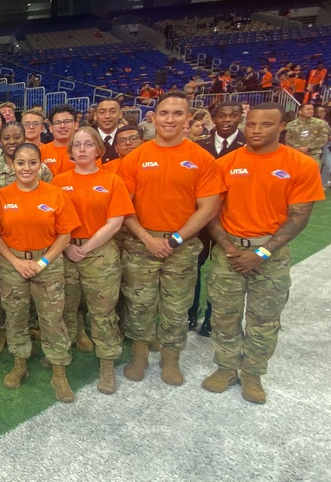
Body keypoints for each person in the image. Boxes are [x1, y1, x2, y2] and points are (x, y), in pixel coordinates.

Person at [203, 103, 325, 404]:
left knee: (264, 319)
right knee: (224, 315)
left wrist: (263, 253)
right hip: (229, 252)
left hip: (272, 253)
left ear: (282, 126)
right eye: (252, 124)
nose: (256, 130)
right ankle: (226, 367)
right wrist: (230, 249)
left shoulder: (301, 164)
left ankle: (253, 373)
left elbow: (299, 216)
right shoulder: (226, 164)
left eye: (266, 125)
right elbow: (211, 212)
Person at [118, 92, 224, 386]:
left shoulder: (201, 159)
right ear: (153, 117)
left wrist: (175, 239)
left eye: (178, 113)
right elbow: (124, 207)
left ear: (188, 119)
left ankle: (170, 357)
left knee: (176, 306)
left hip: (182, 246)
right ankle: (139, 354)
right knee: (138, 304)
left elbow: (208, 207)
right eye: (164, 113)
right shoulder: (136, 158)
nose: (170, 119)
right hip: (141, 244)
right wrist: (147, 239)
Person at [0, 143, 81, 402]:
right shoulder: (2, 195)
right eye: (20, 162)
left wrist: (43, 262)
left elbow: (65, 234)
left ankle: (59, 370)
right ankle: (20, 362)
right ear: (13, 165)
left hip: (48, 264)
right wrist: (16, 262)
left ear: (41, 165)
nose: (26, 168)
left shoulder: (55, 194)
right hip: (12, 264)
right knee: (16, 316)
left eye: (32, 162)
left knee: (53, 318)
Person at [52, 127, 134, 394]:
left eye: (88, 144)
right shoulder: (59, 181)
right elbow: (53, 221)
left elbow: (115, 223)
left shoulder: (112, 180)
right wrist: (66, 249)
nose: (83, 149)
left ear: (98, 148)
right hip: (65, 253)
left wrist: (84, 248)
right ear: (71, 150)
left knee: (103, 312)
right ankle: (61, 360)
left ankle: (107, 364)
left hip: (98, 255)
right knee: (65, 309)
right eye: (77, 145)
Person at [189, 101, 246, 336]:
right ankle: (191, 313)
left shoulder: (249, 145)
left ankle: (214, 318)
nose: (227, 120)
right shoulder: (199, 146)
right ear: (213, 118)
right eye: (222, 115)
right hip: (202, 219)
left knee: (226, 272)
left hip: (233, 218)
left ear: (240, 118)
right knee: (195, 266)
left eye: (233, 116)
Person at [40, 105, 80, 177]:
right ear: (50, 128)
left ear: (76, 125)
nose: (62, 126)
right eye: (57, 123)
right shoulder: (40, 152)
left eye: (67, 121)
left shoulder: (85, 151)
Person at [94, 98, 123, 163]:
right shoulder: (87, 138)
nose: (107, 116)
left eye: (113, 112)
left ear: (120, 114)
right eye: (102, 112)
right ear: (95, 116)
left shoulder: (127, 140)